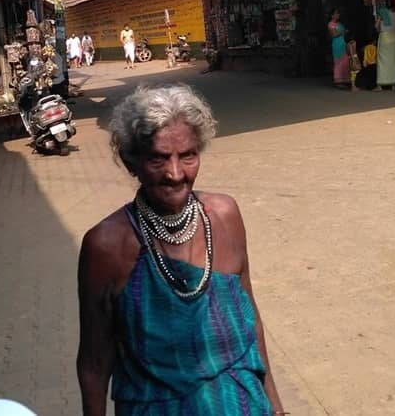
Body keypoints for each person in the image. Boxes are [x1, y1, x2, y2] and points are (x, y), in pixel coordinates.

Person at [77, 84, 285, 415]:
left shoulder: (225, 216)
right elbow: (94, 360)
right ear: (132, 162)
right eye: (158, 159)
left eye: (187, 155)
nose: (176, 174)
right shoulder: (106, 245)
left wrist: (275, 404)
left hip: (240, 404)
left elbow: (250, 318)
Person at [374, 0, 395, 91]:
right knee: (393, 62)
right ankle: (393, 85)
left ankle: (380, 85)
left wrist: (379, 27)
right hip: (394, 38)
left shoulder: (383, 13)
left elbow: (376, 26)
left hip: (385, 38)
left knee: (382, 62)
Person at [327, 8, 349, 89]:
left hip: (343, 43)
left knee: (345, 61)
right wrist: (342, 32)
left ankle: (345, 80)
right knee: (338, 62)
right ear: (332, 15)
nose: (338, 15)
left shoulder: (340, 23)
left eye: (338, 13)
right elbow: (333, 35)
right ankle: (338, 81)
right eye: (336, 13)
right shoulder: (330, 24)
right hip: (337, 44)